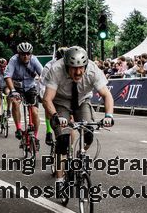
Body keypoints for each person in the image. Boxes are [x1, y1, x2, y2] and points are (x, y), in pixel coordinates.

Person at [42, 46, 114, 193]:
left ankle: (77, 157)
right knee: (62, 141)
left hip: (82, 101)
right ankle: (60, 179)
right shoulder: (56, 69)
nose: (78, 72)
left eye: (81, 68)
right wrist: (55, 117)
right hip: (61, 102)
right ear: (66, 66)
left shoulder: (93, 70)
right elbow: (47, 99)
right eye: (74, 68)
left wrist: (109, 116)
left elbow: (107, 95)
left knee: (89, 135)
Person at [5, 42, 43, 143]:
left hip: (30, 87)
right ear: (19, 54)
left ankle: (35, 136)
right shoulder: (13, 60)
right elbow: (7, 76)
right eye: (23, 54)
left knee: (35, 112)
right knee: (15, 103)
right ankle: (18, 128)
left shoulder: (34, 59)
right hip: (17, 88)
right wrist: (12, 90)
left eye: (28, 54)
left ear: (31, 54)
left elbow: (43, 74)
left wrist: (43, 88)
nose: (26, 56)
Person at [41, 47, 67, 146]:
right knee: (48, 103)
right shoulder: (49, 66)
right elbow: (43, 85)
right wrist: (47, 100)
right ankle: (48, 131)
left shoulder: (71, 64)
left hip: (65, 90)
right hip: (50, 89)